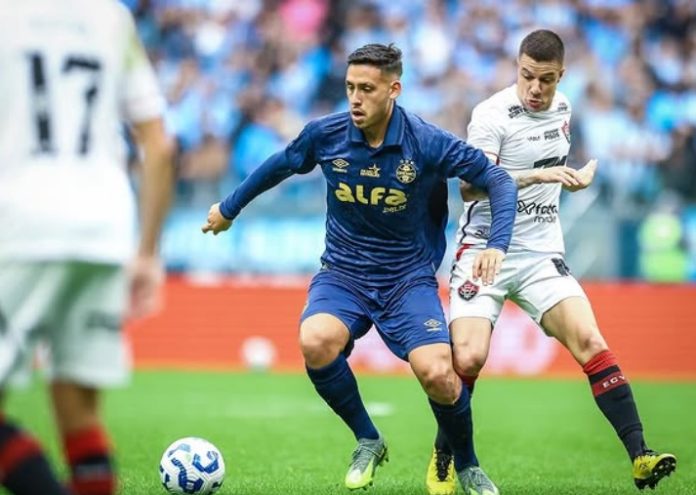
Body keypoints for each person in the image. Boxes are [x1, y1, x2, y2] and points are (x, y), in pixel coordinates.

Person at [202, 43, 518, 492]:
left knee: (439, 375)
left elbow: (498, 180)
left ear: (394, 90)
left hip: (407, 279)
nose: (355, 98)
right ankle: (369, 438)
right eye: (350, 87)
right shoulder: (326, 134)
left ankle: (466, 465)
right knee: (315, 340)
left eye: (367, 89)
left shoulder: (426, 142)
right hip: (343, 273)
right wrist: (229, 208)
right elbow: (281, 164)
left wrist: (497, 245)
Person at [425, 29, 677, 495]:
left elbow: (551, 165)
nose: (535, 88)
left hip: (541, 253)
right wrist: (540, 176)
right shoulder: (491, 115)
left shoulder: (564, 109)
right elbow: (471, 188)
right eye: (527, 76)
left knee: (591, 340)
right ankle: (445, 454)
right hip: (484, 250)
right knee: (470, 356)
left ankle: (641, 456)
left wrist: (572, 180)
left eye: (546, 79)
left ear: (561, 76)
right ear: (517, 68)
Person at [0, 1, 174, 494]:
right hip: (104, 229)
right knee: (78, 409)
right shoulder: (111, 18)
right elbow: (160, 146)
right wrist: (147, 252)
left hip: (22, 221)